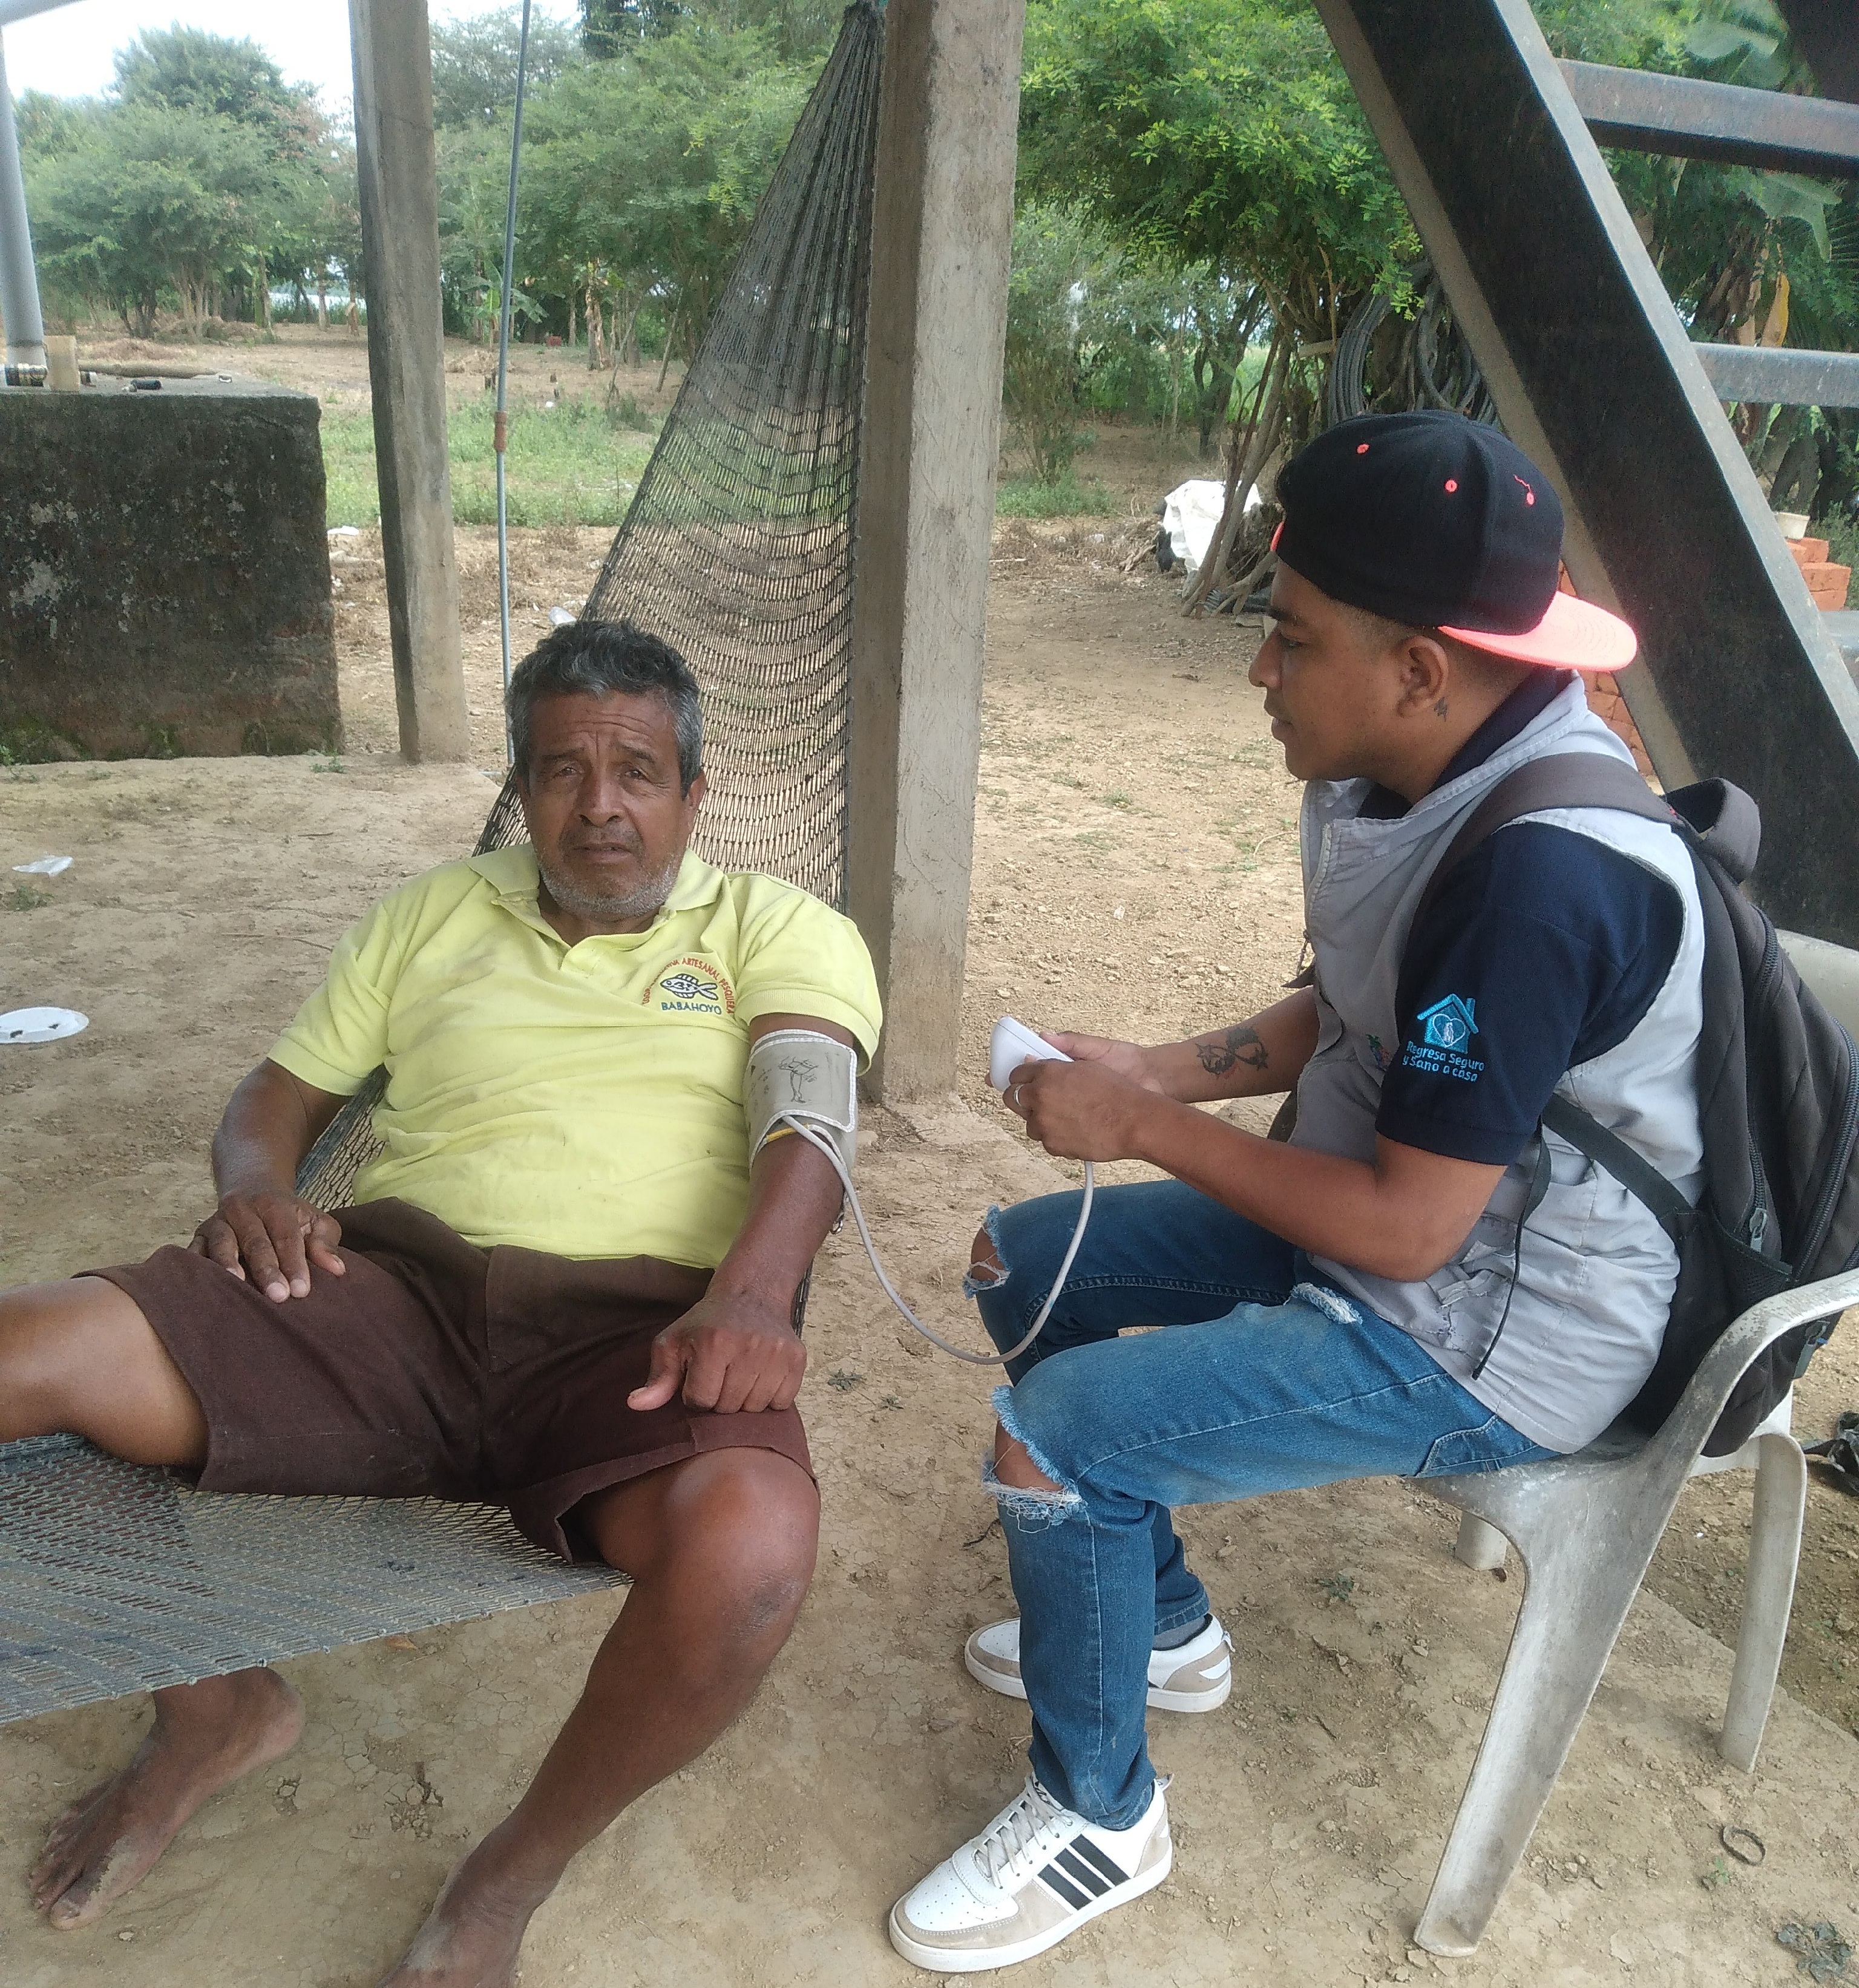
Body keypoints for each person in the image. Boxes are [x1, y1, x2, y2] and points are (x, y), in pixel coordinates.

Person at [890, 411, 1702, 1973]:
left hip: (1501, 1330)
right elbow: (1358, 1006)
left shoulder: (1545, 879)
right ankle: (1164, 1627)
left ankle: (1100, 1814)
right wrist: (1160, 1068)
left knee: (1056, 1435)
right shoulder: (1428, 766)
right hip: (1402, 1228)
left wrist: (1140, 1124)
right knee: (1020, 1262)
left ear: (1421, 668)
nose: (1261, 667)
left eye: (1293, 634)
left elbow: (1410, 1227)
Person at [2, 620, 881, 1988]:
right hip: (389, 1296)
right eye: (563, 771)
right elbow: (278, 1091)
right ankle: (215, 1707)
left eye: (638, 771)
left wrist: (757, 1293)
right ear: (522, 789)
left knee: (754, 1550)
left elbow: (807, 1120)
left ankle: (504, 1879)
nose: (600, 805)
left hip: (639, 1335)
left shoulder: (776, 929)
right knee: (26, 1352)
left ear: (694, 795)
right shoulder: (429, 915)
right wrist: (257, 1185)